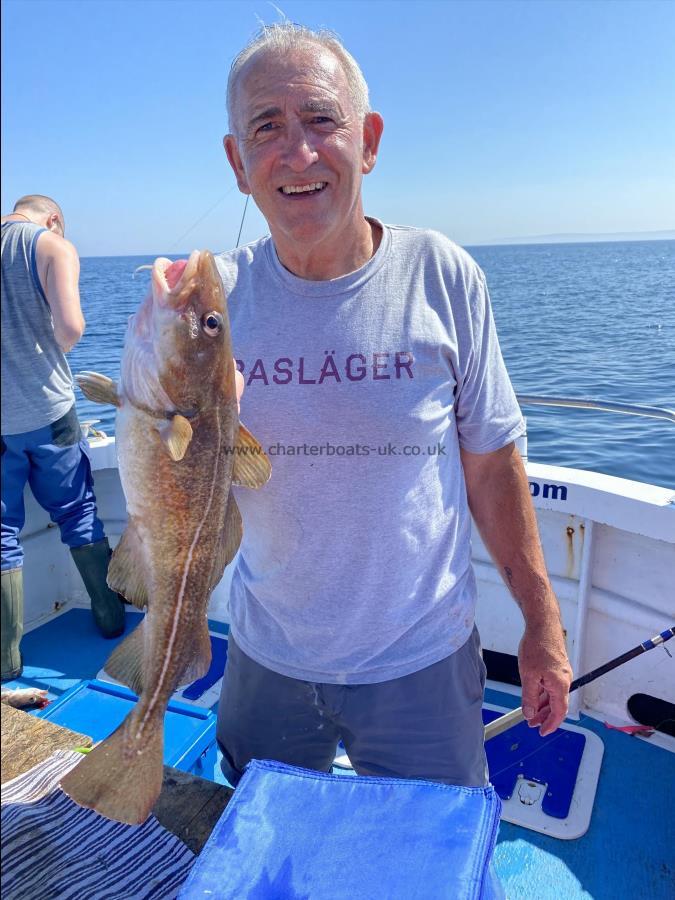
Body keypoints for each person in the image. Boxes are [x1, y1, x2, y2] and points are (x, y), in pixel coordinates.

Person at [215, 24, 572, 788]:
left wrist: (541, 625)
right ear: (237, 162)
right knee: (263, 846)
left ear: (368, 140)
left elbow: (491, 469)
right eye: (266, 128)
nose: (297, 152)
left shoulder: (442, 275)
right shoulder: (205, 305)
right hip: (265, 654)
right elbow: (170, 481)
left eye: (321, 119)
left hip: (422, 663)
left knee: (427, 856)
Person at [1, 195, 125, 682]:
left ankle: (7, 662)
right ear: (52, 219)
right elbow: (71, 327)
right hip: (50, 411)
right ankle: (110, 620)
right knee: (77, 511)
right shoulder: (51, 245)